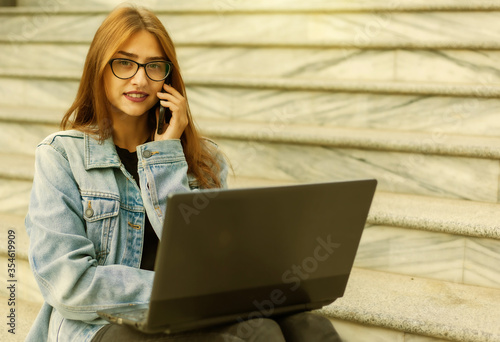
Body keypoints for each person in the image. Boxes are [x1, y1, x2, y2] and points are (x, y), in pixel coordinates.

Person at [24, 5, 342, 342]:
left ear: (168, 78)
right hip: (99, 325)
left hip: (187, 314)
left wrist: (164, 158)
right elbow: (67, 283)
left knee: (309, 326)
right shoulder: (61, 156)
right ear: (99, 67)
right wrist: (176, 295)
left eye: (154, 66)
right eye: (124, 62)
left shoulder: (204, 160)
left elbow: (212, 263)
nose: (140, 79)